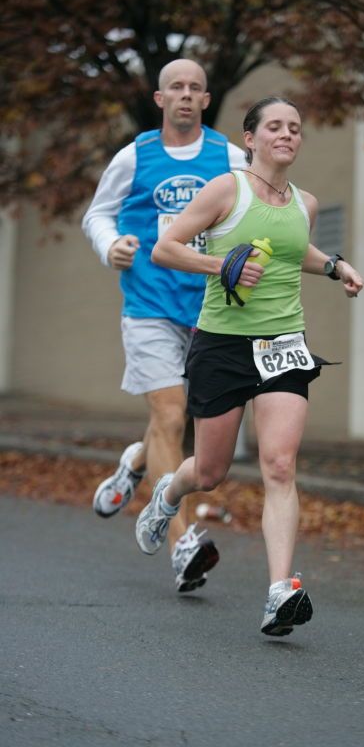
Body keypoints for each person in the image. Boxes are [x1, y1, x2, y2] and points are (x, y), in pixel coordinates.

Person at [134, 96, 364, 636]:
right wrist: (223, 265)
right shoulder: (225, 189)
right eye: (275, 127)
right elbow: (165, 249)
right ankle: (166, 496)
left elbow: (294, 251)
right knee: (209, 474)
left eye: (296, 128)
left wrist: (334, 265)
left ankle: (279, 592)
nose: (287, 135)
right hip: (222, 344)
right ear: (250, 138)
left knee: (280, 465)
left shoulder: (302, 203)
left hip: (283, 342)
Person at [81, 59, 247, 593]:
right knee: (171, 416)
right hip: (149, 306)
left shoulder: (231, 158)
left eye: (195, 88)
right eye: (175, 87)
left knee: (191, 424)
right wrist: (113, 245)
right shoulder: (135, 156)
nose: (185, 95)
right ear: (159, 98)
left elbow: (257, 211)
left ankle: (135, 460)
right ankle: (181, 543)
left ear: (205, 99)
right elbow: (97, 214)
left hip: (211, 311)